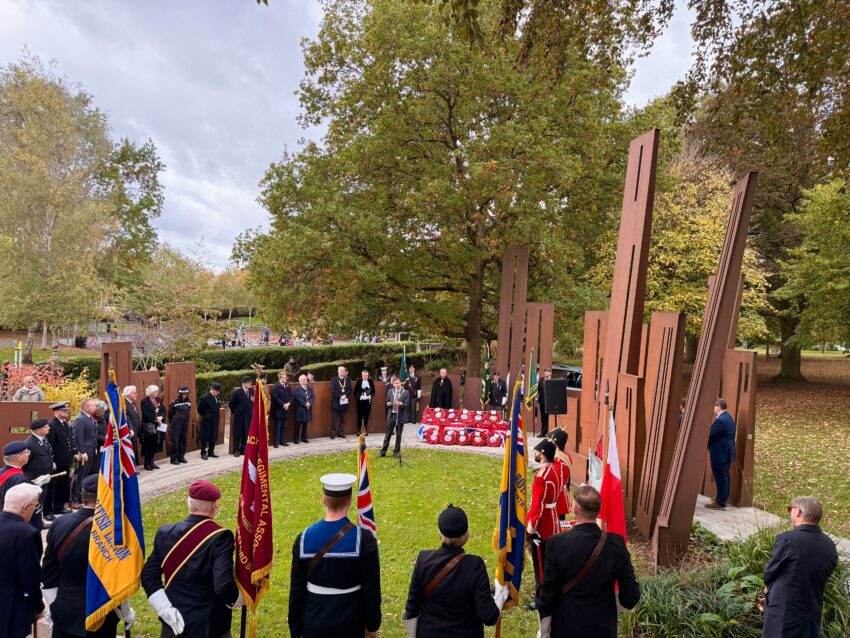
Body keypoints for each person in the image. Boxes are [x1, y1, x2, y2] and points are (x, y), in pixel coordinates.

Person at [142, 480, 243, 637]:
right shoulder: (220, 537)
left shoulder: (164, 532)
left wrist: (165, 609)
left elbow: (148, 575)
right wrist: (239, 600)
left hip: (172, 624)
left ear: (188, 503)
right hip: (208, 626)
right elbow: (223, 585)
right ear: (213, 506)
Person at [538, 485, 640, 638]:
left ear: (575, 509)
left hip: (566, 628)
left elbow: (548, 594)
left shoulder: (556, 544)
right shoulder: (616, 545)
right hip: (602, 630)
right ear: (597, 510)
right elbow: (631, 596)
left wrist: (544, 632)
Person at [288, 473, 381, 638]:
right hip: (351, 622)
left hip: (314, 621)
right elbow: (371, 589)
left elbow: (296, 590)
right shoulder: (364, 540)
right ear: (350, 500)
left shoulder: (303, 538)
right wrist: (372, 625)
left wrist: (295, 630)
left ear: (324, 500)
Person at [41, 474, 134, 638]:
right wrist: (125, 612)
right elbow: (118, 579)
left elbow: (49, 573)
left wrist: (54, 605)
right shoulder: (115, 532)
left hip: (65, 608)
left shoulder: (59, 523)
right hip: (101, 609)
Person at [403, 505, 507, 638]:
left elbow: (411, 609)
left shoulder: (423, 559)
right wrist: (500, 594)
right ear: (466, 536)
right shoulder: (475, 566)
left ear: (439, 533)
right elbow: (489, 617)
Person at [762, 495, 838, 638]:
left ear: (797, 512)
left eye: (790, 509)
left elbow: (769, 572)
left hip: (783, 616)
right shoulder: (829, 545)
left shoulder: (788, 539)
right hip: (811, 614)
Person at [0, 483, 45, 638]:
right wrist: (38, 606)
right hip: (10, 608)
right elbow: (30, 577)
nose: (35, 509)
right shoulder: (27, 534)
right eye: (35, 505)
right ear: (26, 507)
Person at [526, 438, 563, 610]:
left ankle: (541, 598)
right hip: (553, 518)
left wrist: (532, 528)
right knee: (550, 562)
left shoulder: (542, 476)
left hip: (543, 526)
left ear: (543, 454)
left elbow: (538, 505)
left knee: (540, 564)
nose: (535, 453)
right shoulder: (555, 471)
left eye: (537, 451)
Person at [0, 441, 50, 522]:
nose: (29, 454)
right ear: (19, 457)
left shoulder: (2, 472)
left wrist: (33, 484)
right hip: (14, 523)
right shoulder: (20, 479)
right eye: (27, 452)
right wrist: (36, 488)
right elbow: (25, 506)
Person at [46, 401, 75, 518]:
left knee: (63, 485)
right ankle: (48, 511)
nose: (67, 412)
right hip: (56, 462)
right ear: (57, 411)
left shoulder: (64, 424)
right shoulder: (52, 425)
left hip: (65, 460)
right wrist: (52, 461)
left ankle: (59, 507)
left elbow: (68, 441)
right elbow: (50, 445)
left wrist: (73, 455)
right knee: (52, 487)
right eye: (64, 410)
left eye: (67, 410)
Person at [706, 398, 736, 510]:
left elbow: (711, 435)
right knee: (724, 476)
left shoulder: (721, 420)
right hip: (726, 453)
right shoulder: (728, 417)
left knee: (721, 477)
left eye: (714, 406)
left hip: (720, 453)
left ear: (719, 406)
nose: (713, 408)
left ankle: (720, 502)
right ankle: (722, 499)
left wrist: (704, 443)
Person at [25, 418, 54, 528]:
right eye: (46, 427)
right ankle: (33, 523)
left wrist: (52, 464)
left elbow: (47, 454)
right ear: (38, 430)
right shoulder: (30, 443)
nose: (49, 428)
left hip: (45, 477)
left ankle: (38, 522)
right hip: (35, 478)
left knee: (41, 500)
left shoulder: (43, 439)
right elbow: (25, 462)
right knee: (35, 502)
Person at [72, 398, 98, 498]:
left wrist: (94, 447)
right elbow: (78, 437)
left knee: (86, 475)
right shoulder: (80, 419)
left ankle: (82, 496)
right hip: (84, 452)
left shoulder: (90, 418)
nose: (95, 407)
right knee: (80, 476)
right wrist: (81, 452)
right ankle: (76, 498)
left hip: (90, 451)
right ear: (86, 407)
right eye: (93, 405)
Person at [381, 378, 409, 458]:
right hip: (392, 415)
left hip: (400, 416)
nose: (397, 384)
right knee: (388, 434)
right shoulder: (390, 391)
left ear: (401, 384)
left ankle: (396, 452)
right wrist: (388, 403)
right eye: (395, 383)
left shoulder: (405, 392)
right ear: (393, 384)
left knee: (399, 435)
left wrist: (401, 404)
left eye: (398, 383)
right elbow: (386, 402)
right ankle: (383, 451)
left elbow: (407, 404)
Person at [141, 386, 165, 471]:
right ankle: (146, 463)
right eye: (155, 392)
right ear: (150, 392)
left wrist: (161, 416)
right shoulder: (144, 401)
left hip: (159, 425)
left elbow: (163, 409)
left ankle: (151, 461)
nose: (157, 393)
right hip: (149, 426)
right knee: (148, 445)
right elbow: (146, 413)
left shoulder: (158, 400)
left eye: (157, 392)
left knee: (156, 443)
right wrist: (155, 419)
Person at [549, 429, 572, 520]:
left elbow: (557, 481)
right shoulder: (564, 455)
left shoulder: (558, 460)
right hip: (561, 495)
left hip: (558, 499)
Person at [228, 376, 254, 457]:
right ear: (243, 383)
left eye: (250, 382)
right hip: (240, 416)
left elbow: (252, 400)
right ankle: (236, 450)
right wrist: (235, 411)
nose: (250, 384)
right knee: (238, 433)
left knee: (246, 432)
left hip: (248, 415)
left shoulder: (251, 390)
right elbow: (231, 403)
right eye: (248, 382)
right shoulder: (237, 392)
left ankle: (243, 449)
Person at [168, 387, 192, 466]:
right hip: (176, 424)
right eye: (183, 394)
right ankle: (174, 458)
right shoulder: (174, 402)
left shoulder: (189, 401)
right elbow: (170, 414)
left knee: (183, 440)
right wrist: (174, 423)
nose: (185, 395)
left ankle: (181, 456)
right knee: (175, 441)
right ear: (180, 394)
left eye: (186, 393)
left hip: (185, 424)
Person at [197, 383, 222, 460]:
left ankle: (211, 451)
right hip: (207, 420)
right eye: (217, 391)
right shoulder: (205, 397)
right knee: (204, 436)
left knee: (213, 435)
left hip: (215, 419)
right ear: (213, 390)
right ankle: (203, 452)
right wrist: (206, 415)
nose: (218, 393)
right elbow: (200, 409)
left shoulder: (216, 397)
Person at [269, 371, 292, 448]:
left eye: (286, 377)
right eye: (284, 377)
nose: (285, 378)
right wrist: (283, 404)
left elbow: (291, 396)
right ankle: (276, 442)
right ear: (279, 377)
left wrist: (288, 403)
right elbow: (275, 398)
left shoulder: (288, 385)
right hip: (279, 410)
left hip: (286, 409)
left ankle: (283, 441)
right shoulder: (276, 386)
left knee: (284, 427)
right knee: (278, 427)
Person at [330, 366, 353, 439]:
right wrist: (340, 396)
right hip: (336, 402)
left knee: (343, 419)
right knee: (334, 419)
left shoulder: (348, 379)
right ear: (338, 371)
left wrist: (345, 395)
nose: (342, 372)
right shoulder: (334, 379)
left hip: (344, 402)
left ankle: (341, 432)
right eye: (341, 370)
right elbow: (333, 390)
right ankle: (333, 433)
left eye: (343, 370)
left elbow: (350, 389)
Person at [294, 374, 315, 444]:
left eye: (306, 379)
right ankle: (296, 439)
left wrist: (310, 403)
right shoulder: (297, 388)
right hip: (301, 409)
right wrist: (305, 404)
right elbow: (298, 398)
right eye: (304, 379)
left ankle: (304, 437)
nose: (306, 380)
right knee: (298, 424)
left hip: (308, 409)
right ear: (300, 381)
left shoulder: (309, 388)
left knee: (305, 424)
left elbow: (312, 397)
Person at [123, 387, 142, 464]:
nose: (136, 394)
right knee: (129, 451)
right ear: (128, 394)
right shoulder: (124, 404)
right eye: (134, 393)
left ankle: (132, 469)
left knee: (133, 450)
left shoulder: (132, 403)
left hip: (135, 431)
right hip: (129, 432)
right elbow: (126, 418)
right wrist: (129, 429)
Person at [355, 370, 376, 436]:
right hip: (360, 402)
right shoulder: (359, 382)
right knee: (360, 416)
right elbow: (355, 392)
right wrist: (360, 397)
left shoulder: (370, 381)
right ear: (362, 375)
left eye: (367, 375)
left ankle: (365, 430)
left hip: (368, 402)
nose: (366, 377)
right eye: (365, 375)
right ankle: (359, 430)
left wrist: (370, 395)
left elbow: (373, 391)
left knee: (366, 416)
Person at [538, 368, 553, 436]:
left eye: (547, 372)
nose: (545, 373)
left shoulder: (552, 381)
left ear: (550, 373)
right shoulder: (541, 380)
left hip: (549, 402)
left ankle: (547, 432)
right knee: (543, 417)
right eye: (545, 372)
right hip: (542, 401)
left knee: (547, 417)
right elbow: (538, 389)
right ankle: (542, 432)